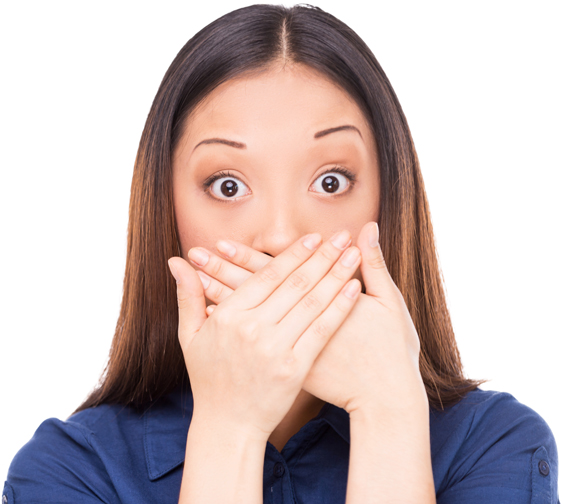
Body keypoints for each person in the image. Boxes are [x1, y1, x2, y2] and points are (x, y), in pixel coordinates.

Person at [3, 4, 559, 503]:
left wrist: (389, 413)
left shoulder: (495, 447)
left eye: (332, 181)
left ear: (389, 205)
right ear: (165, 214)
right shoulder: (71, 472)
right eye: (227, 185)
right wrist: (230, 428)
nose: (279, 236)